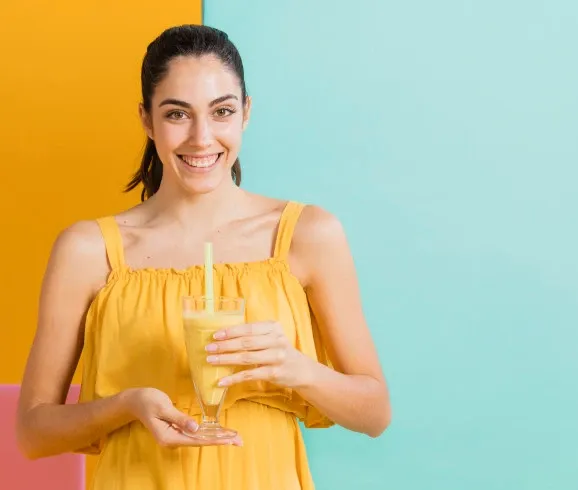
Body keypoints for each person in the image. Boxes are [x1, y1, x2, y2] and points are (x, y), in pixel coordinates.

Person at [15, 24, 391, 489]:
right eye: (177, 114)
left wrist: (298, 369)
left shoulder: (307, 235)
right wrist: (124, 406)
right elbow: (33, 433)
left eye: (222, 111)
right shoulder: (88, 250)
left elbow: (374, 413)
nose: (201, 137)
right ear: (146, 119)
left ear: (245, 113)